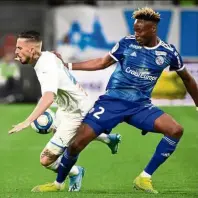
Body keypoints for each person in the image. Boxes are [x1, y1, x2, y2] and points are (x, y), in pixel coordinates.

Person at [25, 7, 198, 194]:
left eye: (140, 30)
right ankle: (58, 184)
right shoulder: (126, 43)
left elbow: (187, 78)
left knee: (175, 130)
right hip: (111, 102)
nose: (136, 33)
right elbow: (102, 63)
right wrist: (66, 65)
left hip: (140, 106)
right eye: (135, 29)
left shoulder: (168, 52)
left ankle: (144, 177)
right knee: (76, 144)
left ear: (153, 30)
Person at [9, 31, 121, 192]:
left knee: (46, 159)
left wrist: (27, 121)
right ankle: (108, 139)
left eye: (19, 48)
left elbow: (48, 98)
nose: (15, 52)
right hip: (68, 107)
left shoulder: (46, 67)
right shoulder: (46, 56)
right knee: (56, 132)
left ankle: (76, 172)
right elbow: (54, 56)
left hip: (76, 113)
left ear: (32, 51)